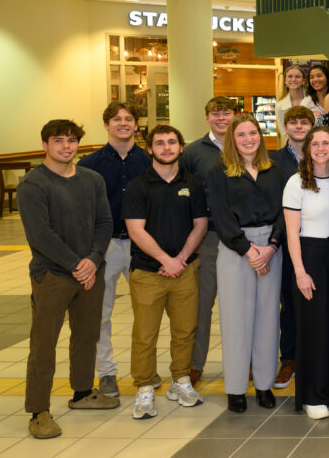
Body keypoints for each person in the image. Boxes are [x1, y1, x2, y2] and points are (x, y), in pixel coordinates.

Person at [18, 119, 118, 439]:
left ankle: (83, 392)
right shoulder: (33, 183)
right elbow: (40, 234)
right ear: (45, 145)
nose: (66, 146)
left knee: (87, 335)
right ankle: (38, 411)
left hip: (90, 272)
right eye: (58, 140)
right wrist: (77, 264)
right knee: (44, 343)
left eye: (72, 140)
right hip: (52, 274)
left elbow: (105, 222)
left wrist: (94, 259)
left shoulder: (92, 179)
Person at [122, 124, 208, 419]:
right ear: (149, 149)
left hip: (185, 270)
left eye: (172, 142)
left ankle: (180, 380)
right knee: (145, 335)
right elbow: (136, 230)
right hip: (148, 273)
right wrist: (165, 259)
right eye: (159, 143)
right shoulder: (137, 185)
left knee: (185, 331)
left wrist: (180, 259)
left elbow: (200, 224)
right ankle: (145, 388)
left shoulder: (193, 183)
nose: (166, 147)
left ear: (181, 147)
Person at [206, 114, 287, 413]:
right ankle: (236, 388)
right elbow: (221, 217)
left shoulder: (274, 170)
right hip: (236, 250)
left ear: (260, 136)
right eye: (241, 135)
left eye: (253, 133)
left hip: (270, 249)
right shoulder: (218, 172)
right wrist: (249, 251)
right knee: (236, 321)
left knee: (268, 319)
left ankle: (264, 385)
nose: (248, 139)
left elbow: (285, 211)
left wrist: (271, 246)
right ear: (232, 139)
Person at [78, 101, 150, 398]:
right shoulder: (88, 165)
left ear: (136, 124)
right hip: (104, 247)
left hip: (142, 245)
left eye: (128, 118)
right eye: (117, 119)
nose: (123, 123)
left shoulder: (149, 161)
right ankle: (106, 372)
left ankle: (145, 369)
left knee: (147, 312)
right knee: (100, 312)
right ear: (106, 124)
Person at [284, 125, 329, 420]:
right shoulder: (296, 182)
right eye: (315, 143)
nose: (321, 148)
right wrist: (300, 272)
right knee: (314, 328)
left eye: (326, 143)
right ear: (307, 149)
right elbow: (292, 233)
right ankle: (313, 395)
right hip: (310, 257)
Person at [182, 95, 239, 385]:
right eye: (215, 114)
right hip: (208, 237)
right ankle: (194, 364)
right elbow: (184, 194)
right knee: (201, 304)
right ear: (207, 118)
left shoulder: (245, 145)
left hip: (241, 239)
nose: (221, 118)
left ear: (235, 115)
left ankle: (243, 362)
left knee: (239, 306)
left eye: (226, 112)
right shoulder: (193, 152)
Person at [269, 105, 316, 390]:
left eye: (304, 122)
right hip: (286, 242)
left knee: (319, 301)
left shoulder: (322, 155)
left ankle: (316, 357)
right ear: (284, 127)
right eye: (294, 122)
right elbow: (274, 203)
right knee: (289, 302)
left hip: (319, 241)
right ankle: (289, 359)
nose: (299, 127)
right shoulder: (273, 161)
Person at [275, 65, 321, 140]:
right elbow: (284, 133)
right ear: (285, 81)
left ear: (303, 81)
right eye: (290, 76)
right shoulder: (280, 106)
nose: (293, 79)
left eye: (297, 76)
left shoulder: (314, 100)